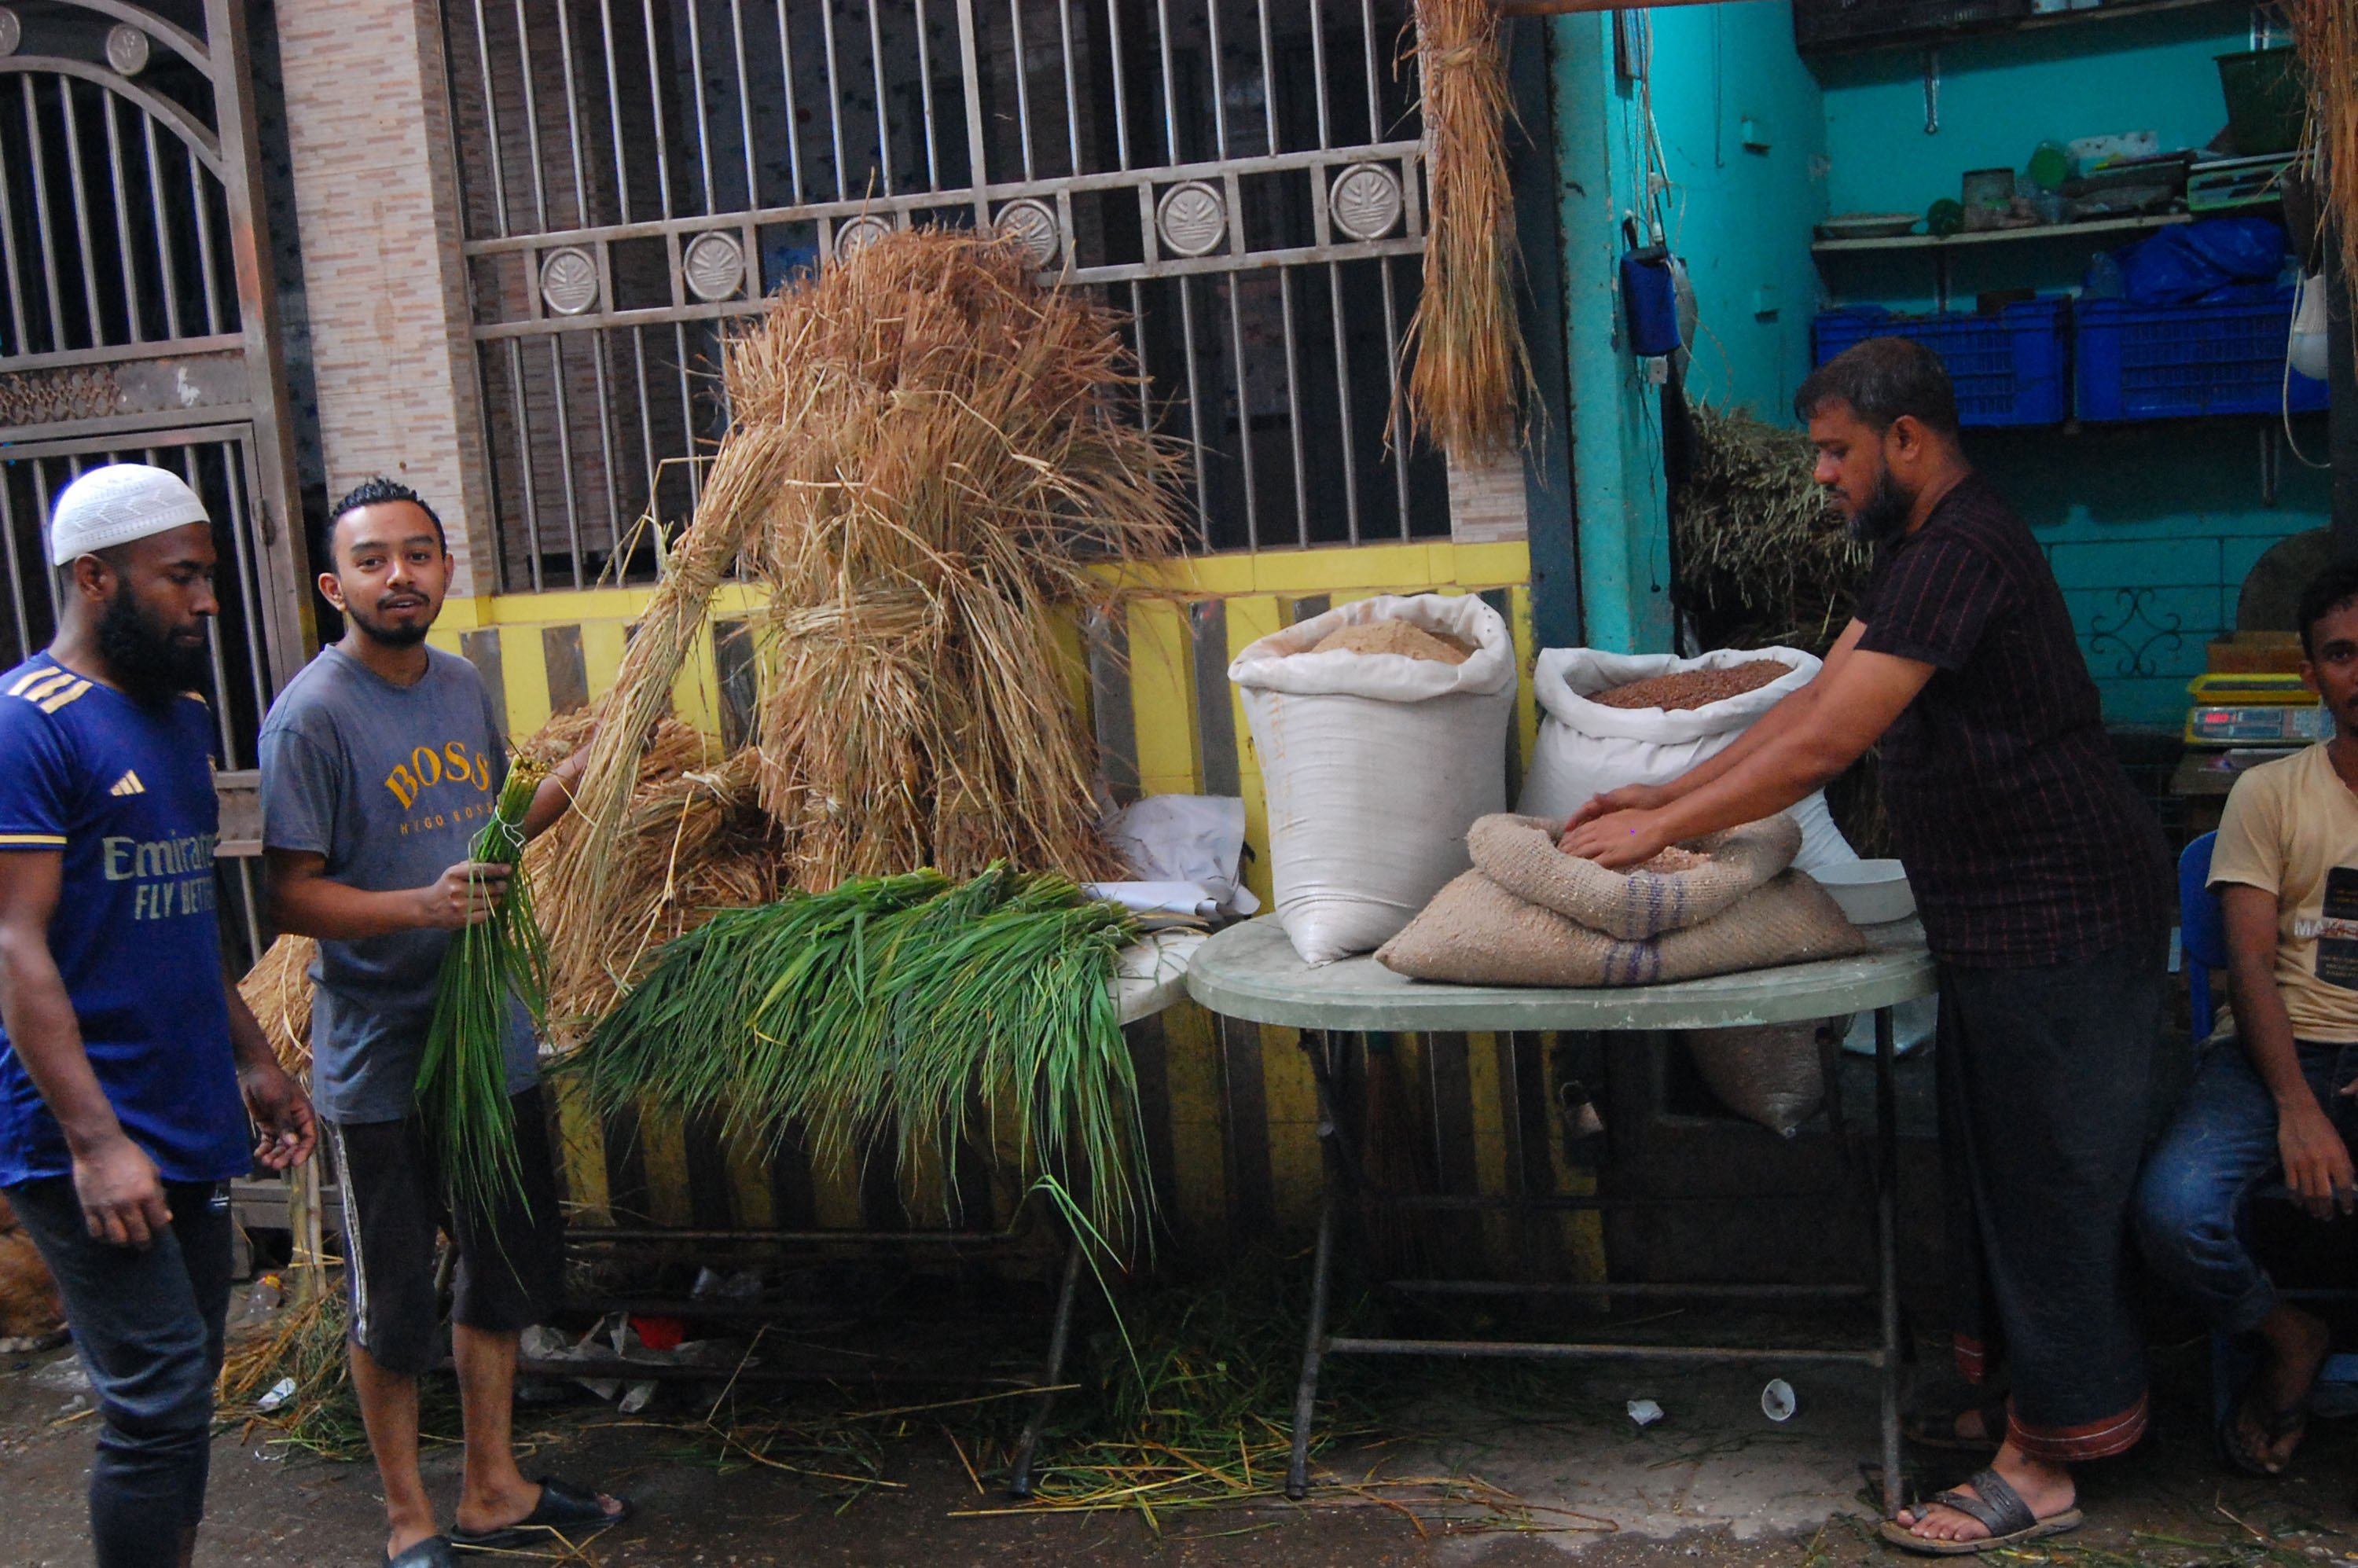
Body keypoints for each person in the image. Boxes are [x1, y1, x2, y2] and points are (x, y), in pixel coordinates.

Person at [1563, 337, 2173, 1553]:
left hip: (2066, 915)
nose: (1822, 477)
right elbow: (1801, 705)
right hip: (2008, 919)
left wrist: (1666, 823)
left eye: (1839, 451)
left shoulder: (1961, 549)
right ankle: (2025, 1403)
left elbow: (1826, 744)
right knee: (2002, 1168)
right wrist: (1650, 803)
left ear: (1909, 440)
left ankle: (2044, 1462)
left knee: (2054, 1180)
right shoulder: (1915, 556)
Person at [259, 477, 626, 1568]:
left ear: (446, 569)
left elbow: (493, 835)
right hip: (380, 1058)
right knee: (395, 1298)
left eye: (419, 554)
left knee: (501, 1269)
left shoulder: (463, 688)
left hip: (491, 1038)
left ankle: (493, 1486)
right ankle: (409, 1516)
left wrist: (577, 770)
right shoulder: (310, 716)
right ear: (336, 584)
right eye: (374, 559)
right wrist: (420, 905)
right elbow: (287, 895)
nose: (400, 575)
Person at [0, 463, 316, 1568]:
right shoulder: (25, 726)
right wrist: (94, 1140)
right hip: (87, 1132)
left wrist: (255, 1059)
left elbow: (174, 924)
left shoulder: (175, 722)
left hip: (183, 1115)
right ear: (96, 576)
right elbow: (14, 942)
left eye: (209, 574)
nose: (207, 599)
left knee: (183, 1389)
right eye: (182, 576)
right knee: (153, 1400)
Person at [2134, 560, 2358, 1482]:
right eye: (2342, 654)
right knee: (2172, 1213)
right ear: (2312, 676)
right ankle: (2291, 1337)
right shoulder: (2268, 796)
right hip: (2273, 1059)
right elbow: (2249, 968)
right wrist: (2298, 1106)